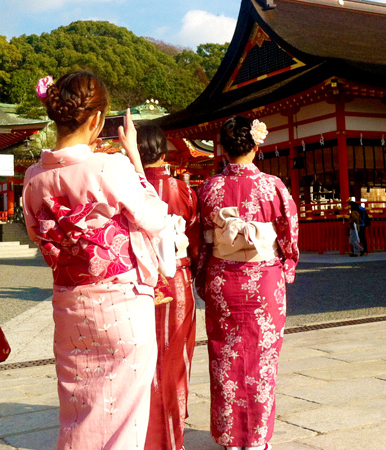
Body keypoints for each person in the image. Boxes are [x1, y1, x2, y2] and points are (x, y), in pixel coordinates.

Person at [22, 72, 169, 449]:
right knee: (123, 420)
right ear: (96, 121)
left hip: (70, 301)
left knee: (79, 408)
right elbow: (154, 218)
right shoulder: (109, 168)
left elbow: (39, 236)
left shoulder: (33, 178)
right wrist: (137, 164)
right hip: (121, 303)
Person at [196, 116, 299, 450]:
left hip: (222, 278)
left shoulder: (209, 188)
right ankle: (255, 439)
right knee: (262, 356)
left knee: (224, 356)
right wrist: (287, 265)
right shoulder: (274, 186)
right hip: (264, 279)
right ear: (257, 145)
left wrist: (202, 275)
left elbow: (202, 241)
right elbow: (289, 234)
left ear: (223, 149)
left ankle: (229, 437)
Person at [138, 124, 200, 450]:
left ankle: (144, 436)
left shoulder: (130, 187)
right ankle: (174, 437)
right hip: (176, 279)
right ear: (164, 151)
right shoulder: (183, 190)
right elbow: (194, 233)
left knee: (142, 361)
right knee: (176, 361)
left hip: (141, 282)